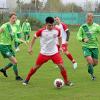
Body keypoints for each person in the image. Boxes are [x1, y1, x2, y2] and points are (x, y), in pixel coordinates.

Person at [23, 17, 73, 86]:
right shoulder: (41, 31)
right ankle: (27, 79)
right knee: (36, 67)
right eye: (49, 25)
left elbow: (60, 37)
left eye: (52, 25)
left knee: (61, 66)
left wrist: (60, 47)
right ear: (46, 24)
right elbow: (34, 38)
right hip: (44, 53)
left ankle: (66, 81)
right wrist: (30, 48)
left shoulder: (57, 30)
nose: (51, 27)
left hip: (54, 53)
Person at [77, 13, 100, 80]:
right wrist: (83, 39)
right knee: (90, 60)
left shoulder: (97, 26)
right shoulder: (83, 27)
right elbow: (78, 36)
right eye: (88, 18)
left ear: (93, 18)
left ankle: (89, 66)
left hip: (95, 47)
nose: (89, 19)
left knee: (95, 63)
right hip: (86, 46)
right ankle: (92, 75)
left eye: (90, 18)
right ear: (86, 18)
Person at [0, 12, 23, 81]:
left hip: (9, 46)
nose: (14, 19)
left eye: (15, 18)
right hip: (3, 46)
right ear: (9, 18)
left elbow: (15, 38)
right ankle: (17, 77)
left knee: (13, 62)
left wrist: (21, 41)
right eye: (13, 18)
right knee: (15, 61)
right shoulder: (5, 26)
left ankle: (3, 69)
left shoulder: (15, 27)